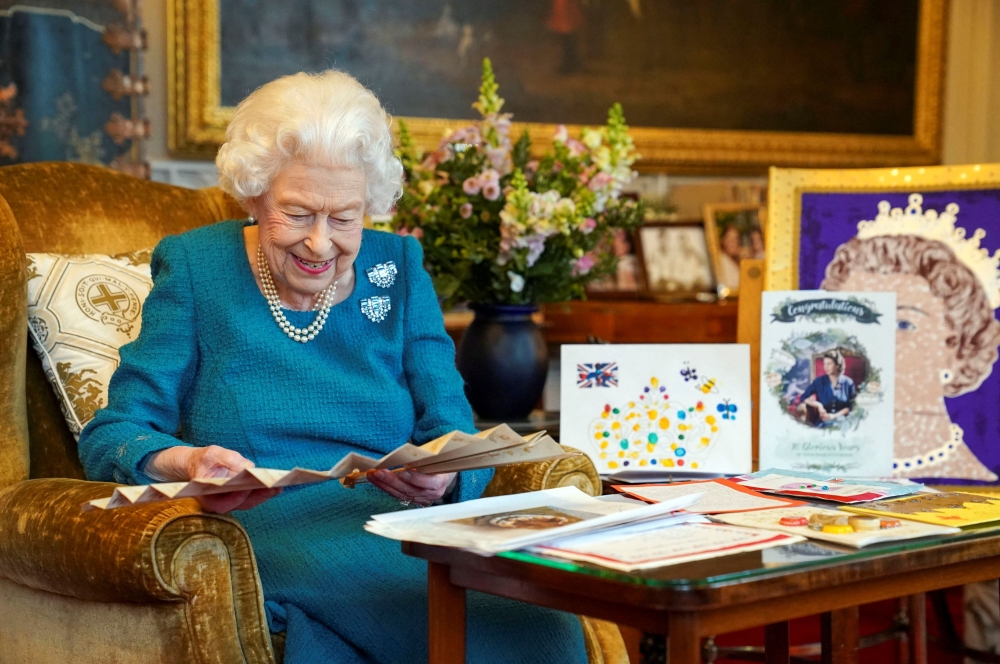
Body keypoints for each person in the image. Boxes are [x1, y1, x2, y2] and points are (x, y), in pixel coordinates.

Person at [77, 70, 587, 664]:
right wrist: (188, 461)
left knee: (542, 617)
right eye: (296, 214)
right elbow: (111, 435)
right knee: (496, 627)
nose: (320, 244)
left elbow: (454, 428)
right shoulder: (196, 268)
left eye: (344, 219)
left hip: (402, 527)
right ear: (254, 194)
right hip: (270, 530)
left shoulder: (398, 267)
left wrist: (444, 477)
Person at [796, 350, 855, 427]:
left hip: (843, 421)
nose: (825, 367)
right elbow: (804, 397)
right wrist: (818, 405)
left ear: (837, 365)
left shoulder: (848, 382)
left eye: (829, 364)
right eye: (824, 364)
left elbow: (852, 406)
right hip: (824, 422)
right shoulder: (819, 382)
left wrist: (834, 416)